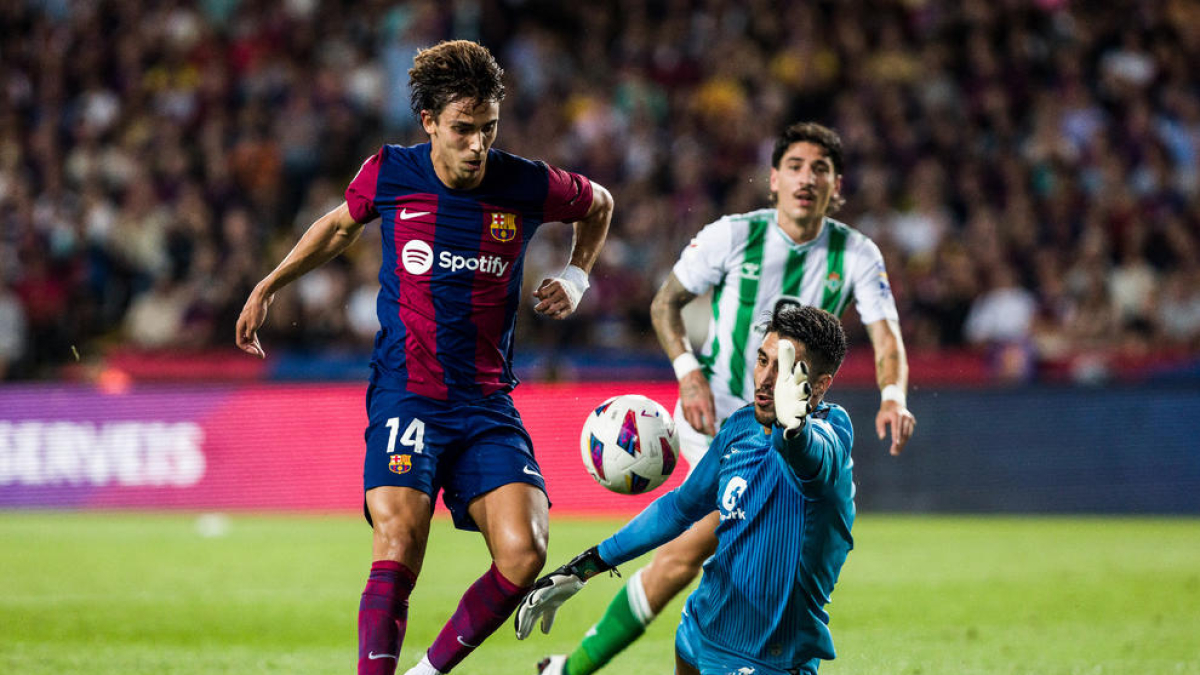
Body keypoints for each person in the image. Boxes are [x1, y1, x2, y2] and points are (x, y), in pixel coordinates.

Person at [234, 40, 613, 675]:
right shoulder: (391, 172)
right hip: (407, 394)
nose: (478, 145)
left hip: (486, 403)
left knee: (525, 553)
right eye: (463, 129)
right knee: (400, 537)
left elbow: (599, 203)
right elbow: (338, 225)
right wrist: (269, 285)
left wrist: (577, 277)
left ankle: (427, 672)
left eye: (489, 128)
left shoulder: (526, 183)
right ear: (429, 122)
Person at [534, 121, 914, 675]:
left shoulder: (856, 253)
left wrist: (894, 395)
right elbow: (665, 303)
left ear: (837, 186)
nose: (807, 178)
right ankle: (580, 665)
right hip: (719, 419)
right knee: (687, 549)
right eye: (795, 166)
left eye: (820, 169)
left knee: (703, 551)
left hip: (795, 430)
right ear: (773, 179)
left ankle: (589, 664)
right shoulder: (733, 235)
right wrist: (688, 373)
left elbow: (886, 336)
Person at [516, 302, 855, 675]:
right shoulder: (740, 426)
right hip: (698, 631)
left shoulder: (832, 435)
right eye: (763, 361)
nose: (766, 379)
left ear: (820, 385)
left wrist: (796, 430)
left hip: (767, 658)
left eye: (786, 370)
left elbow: (813, 461)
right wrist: (586, 567)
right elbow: (680, 508)